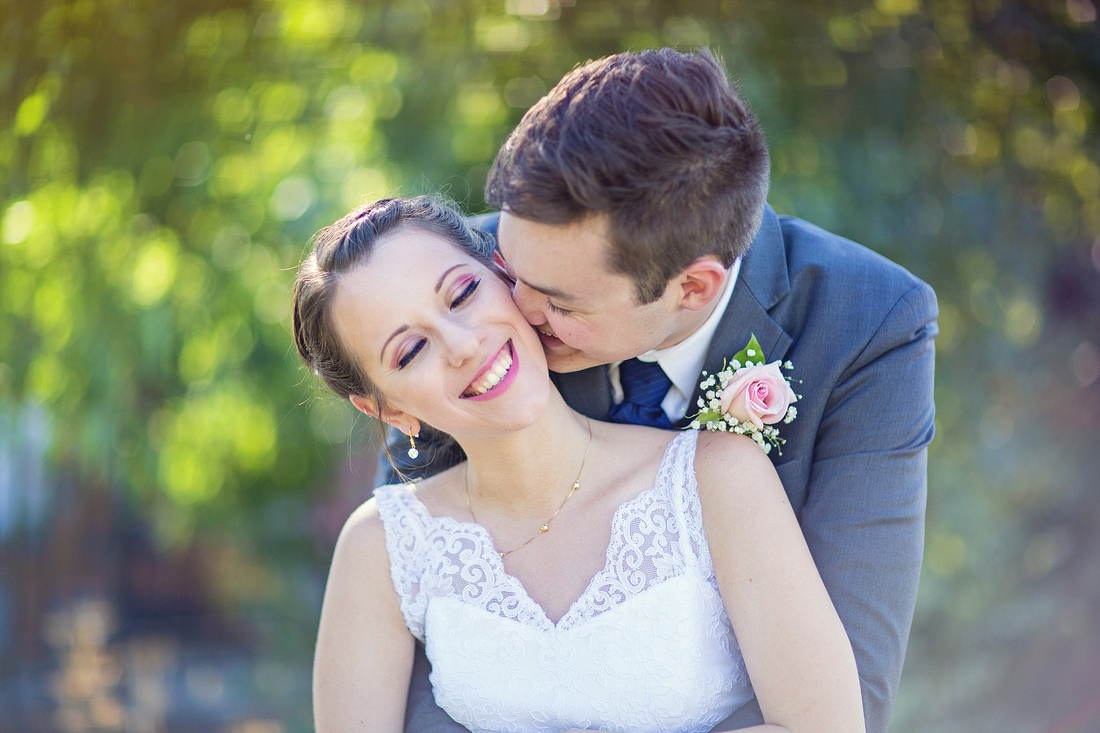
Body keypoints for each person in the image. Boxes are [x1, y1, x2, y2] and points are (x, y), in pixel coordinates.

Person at [387, 48, 938, 733]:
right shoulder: (469, 289)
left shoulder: (869, 326)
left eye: (560, 302)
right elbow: (406, 642)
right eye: (506, 263)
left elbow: (848, 694)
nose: (513, 313)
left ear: (694, 287)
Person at [296, 196, 865, 732]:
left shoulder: (715, 477)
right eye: (410, 350)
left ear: (503, 274)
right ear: (388, 408)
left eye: (462, 293)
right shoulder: (380, 548)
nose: (462, 344)